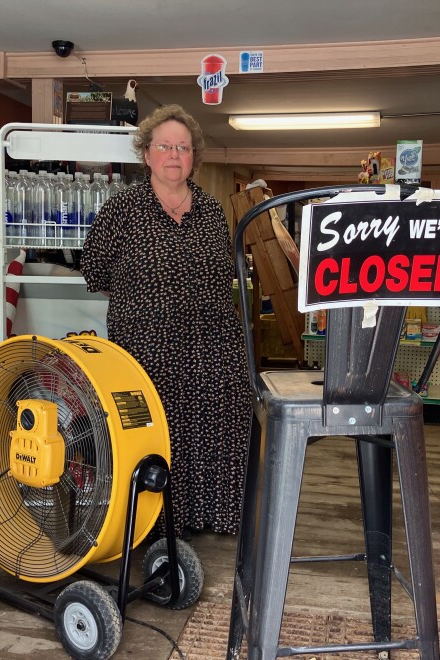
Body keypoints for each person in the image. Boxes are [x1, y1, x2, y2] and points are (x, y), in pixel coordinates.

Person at [81, 104, 253, 539]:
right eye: (165, 146)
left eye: (183, 147)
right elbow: (96, 273)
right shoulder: (122, 209)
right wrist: (146, 303)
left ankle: (207, 517)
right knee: (154, 433)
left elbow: (224, 273)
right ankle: (152, 527)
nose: (174, 154)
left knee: (213, 427)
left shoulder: (213, 211)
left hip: (213, 344)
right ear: (147, 154)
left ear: (193, 156)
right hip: (146, 347)